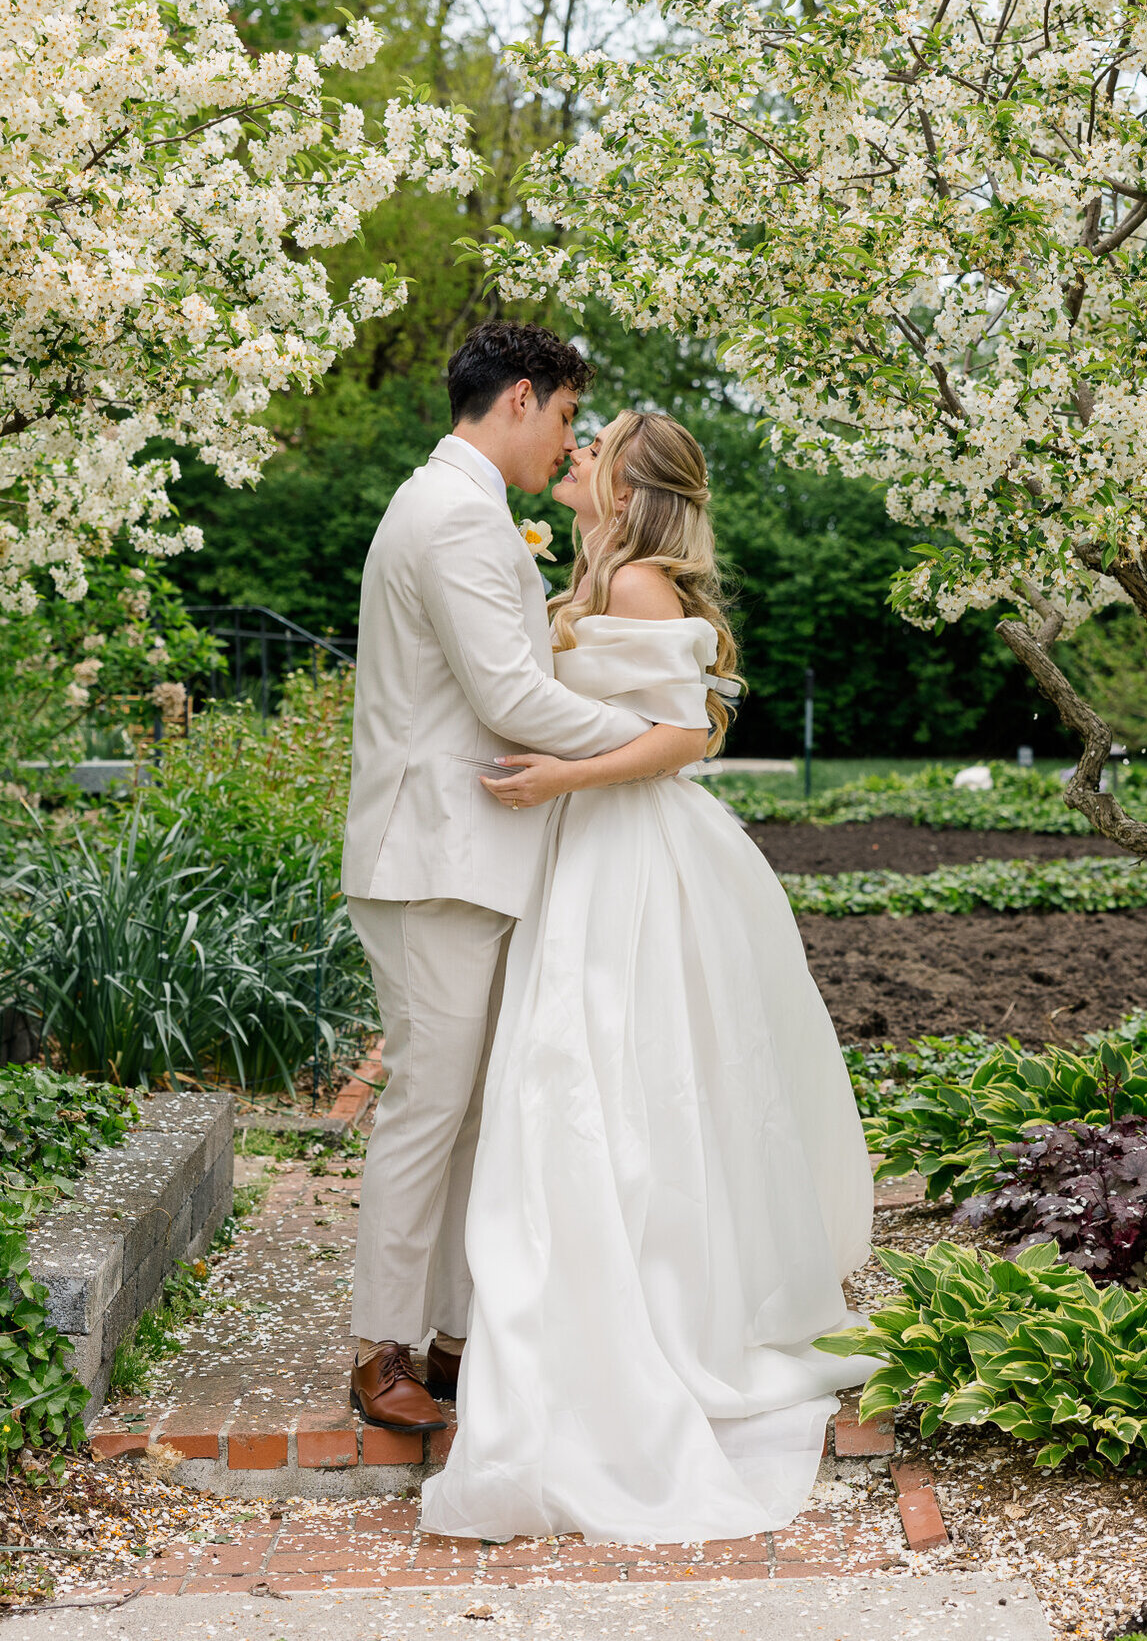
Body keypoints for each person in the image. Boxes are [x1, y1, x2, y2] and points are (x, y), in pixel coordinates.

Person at [419, 409, 876, 1542]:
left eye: (595, 446)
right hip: (589, 846)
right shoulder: (600, 576)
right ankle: (576, 1296)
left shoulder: (641, 591)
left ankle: (641, 1310)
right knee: (583, 1076)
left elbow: (680, 734)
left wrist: (559, 780)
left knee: (613, 1076)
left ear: (628, 485)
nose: (574, 454)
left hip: (628, 854)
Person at [340, 326, 708, 1435]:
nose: (566, 445)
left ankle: (451, 1336)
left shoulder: (459, 505)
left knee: (465, 1115)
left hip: (467, 856)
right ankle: (380, 1347)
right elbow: (508, 693)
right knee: (428, 1108)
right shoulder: (453, 513)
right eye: (562, 419)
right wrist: (653, 734)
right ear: (520, 397)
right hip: (435, 859)